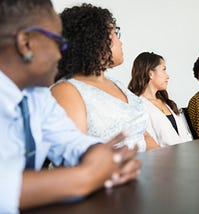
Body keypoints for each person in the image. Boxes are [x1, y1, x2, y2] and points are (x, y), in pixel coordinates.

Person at [0, 1, 140, 213]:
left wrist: (104, 158)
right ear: (26, 43)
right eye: (58, 41)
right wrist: (89, 176)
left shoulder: (37, 96)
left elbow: (71, 142)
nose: (61, 53)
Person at [51, 4, 159, 152]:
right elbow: (74, 161)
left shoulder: (117, 84)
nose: (120, 42)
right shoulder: (66, 91)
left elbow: (143, 136)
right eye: (115, 33)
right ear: (94, 39)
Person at [128, 52, 193, 147]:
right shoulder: (138, 106)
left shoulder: (165, 102)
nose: (168, 76)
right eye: (164, 70)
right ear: (150, 73)